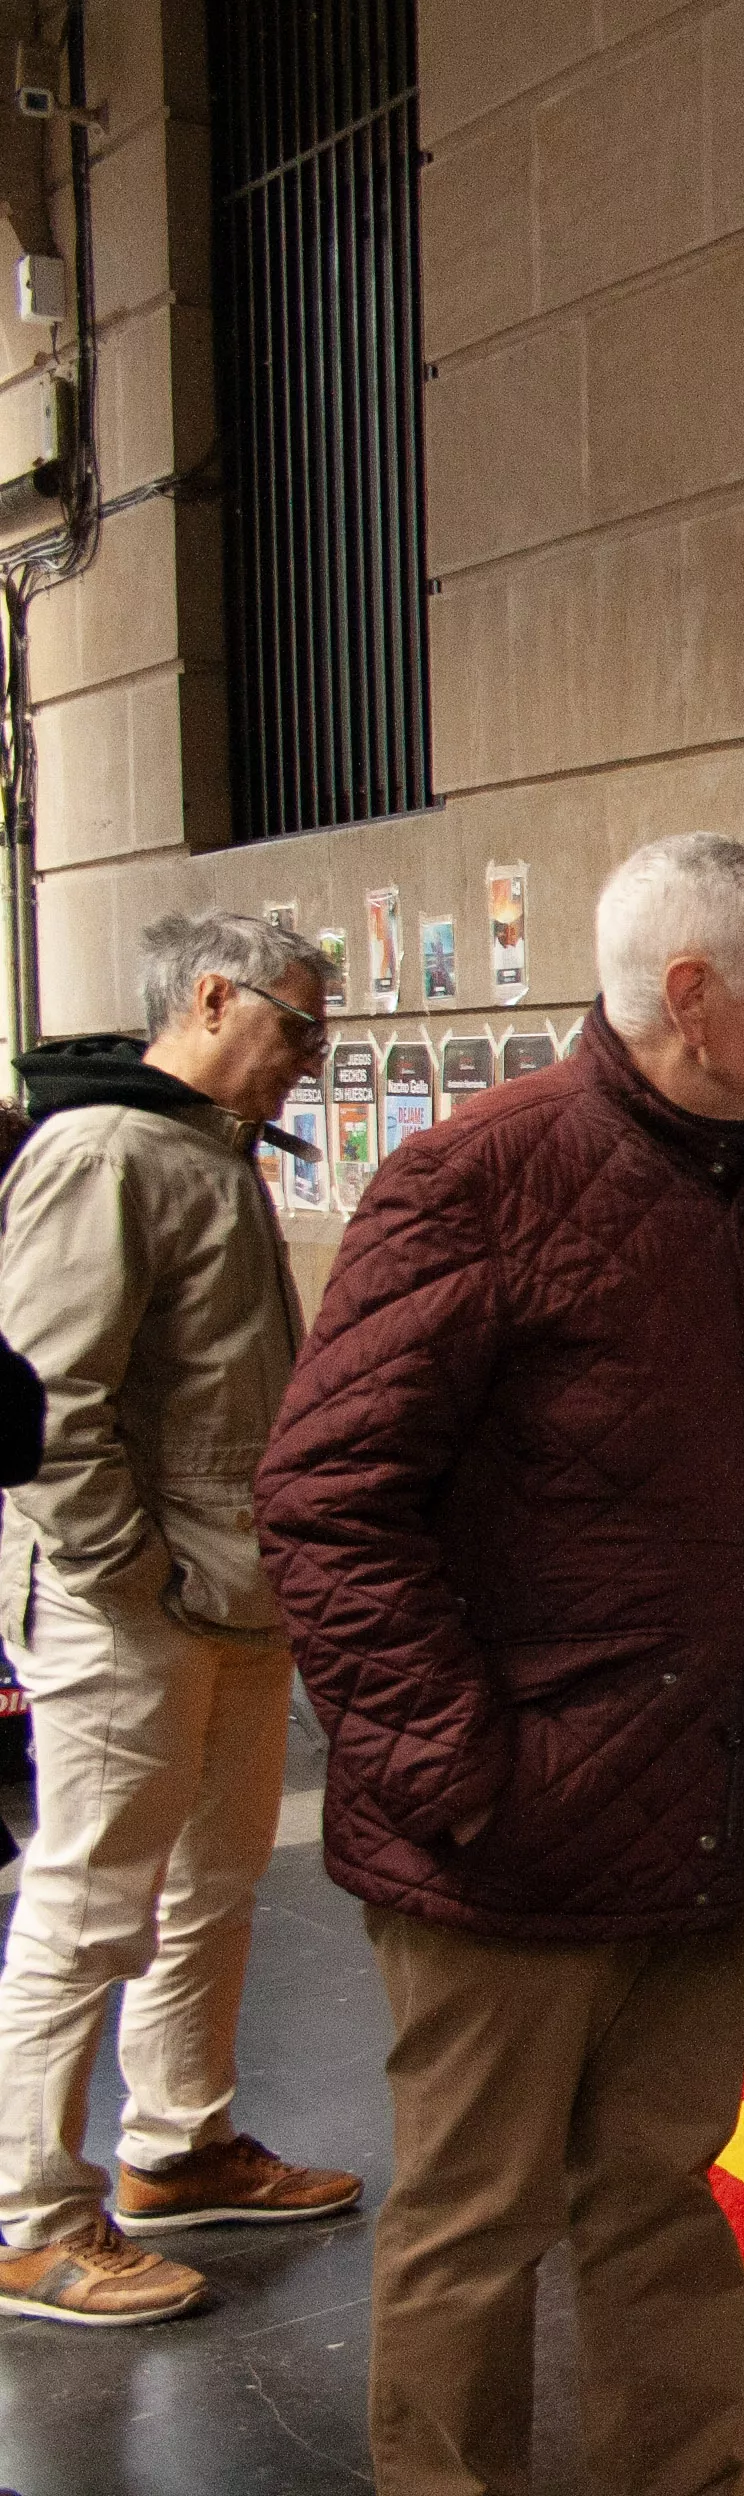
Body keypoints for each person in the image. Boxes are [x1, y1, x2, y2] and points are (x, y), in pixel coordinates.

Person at [259, 833, 744, 2495]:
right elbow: (323, 1494)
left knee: (659, 2193)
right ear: (690, 996)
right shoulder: (480, 1176)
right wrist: (459, 1759)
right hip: (506, 1837)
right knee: (475, 2221)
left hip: (698, 1800)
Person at [0, 913, 359, 2327]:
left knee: (211, 1886)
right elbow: (46, 1403)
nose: (310, 1066)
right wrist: (128, 1573)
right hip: (136, 1601)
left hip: (220, 1583)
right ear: (212, 997)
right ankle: (31, 2214)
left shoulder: (194, 1149)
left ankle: (179, 2144)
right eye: (300, 1029)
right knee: (91, 1906)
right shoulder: (104, 1155)